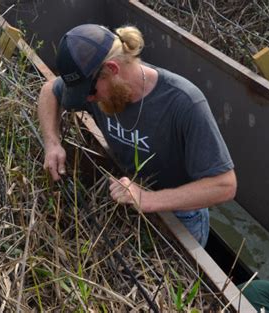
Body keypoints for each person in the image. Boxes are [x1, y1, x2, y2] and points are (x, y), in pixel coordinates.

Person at [37, 24, 236, 248]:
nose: (89, 99)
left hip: (180, 217)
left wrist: (146, 199)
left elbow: (224, 185)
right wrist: (52, 143)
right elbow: (49, 90)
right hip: (128, 195)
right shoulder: (99, 85)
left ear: (112, 69)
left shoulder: (183, 103)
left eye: (90, 92)